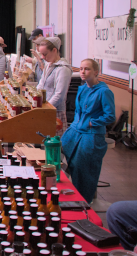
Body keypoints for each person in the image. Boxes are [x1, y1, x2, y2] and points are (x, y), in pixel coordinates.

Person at [61, 59, 115, 203]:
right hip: (76, 130)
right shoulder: (83, 88)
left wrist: (92, 122)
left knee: (84, 168)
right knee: (64, 156)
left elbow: (110, 116)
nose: (83, 72)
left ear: (96, 72)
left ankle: (84, 201)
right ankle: (70, 193)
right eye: (81, 69)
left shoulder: (104, 91)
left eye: (87, 69)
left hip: (91, 134)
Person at [37, 37, 72, 135]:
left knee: (53, 142)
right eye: (41, 54)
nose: (43, 57)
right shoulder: (48, 65)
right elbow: (41, 84)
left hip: (55, 110)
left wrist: (46, 109)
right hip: (44, 108)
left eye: (45, 54)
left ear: (54, 50)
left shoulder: (63, 69)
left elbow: (59, 95)